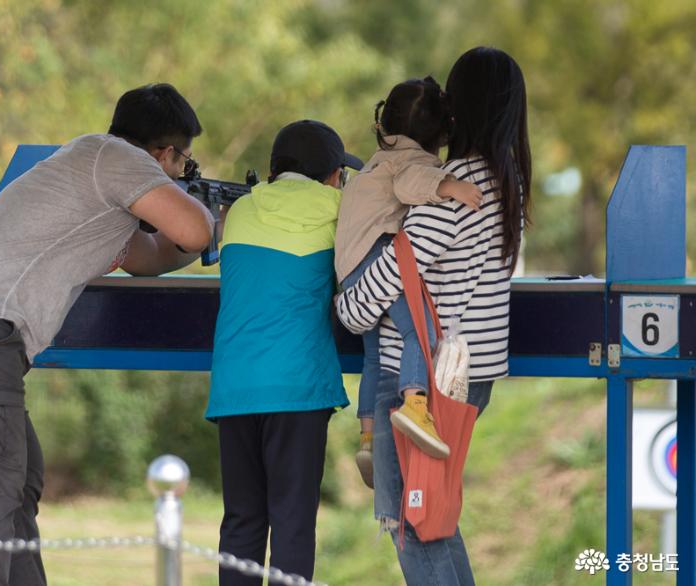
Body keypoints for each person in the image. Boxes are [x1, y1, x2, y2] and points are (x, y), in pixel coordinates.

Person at [0, 83, 215, 586]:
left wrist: (209, 225)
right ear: (164, 153)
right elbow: (195, 231)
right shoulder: (112, 155)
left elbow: (153, 258)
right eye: (183, 162)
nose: (182, 171)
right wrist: (211, 222)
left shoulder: (96, 179)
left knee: (18, 480)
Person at [335, 46, 531, 585]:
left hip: (423, 384)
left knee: (413, 523)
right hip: (472, 374)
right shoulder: (505, 177)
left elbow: (399, 263)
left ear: (461, 107)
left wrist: (348, 307)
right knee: (433, 518)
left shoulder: (458, 184)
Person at [206, 120, 362, 585]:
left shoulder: (239, 211)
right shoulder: (338, 209)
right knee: (292, 523)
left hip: (235, 388)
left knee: (242, 520)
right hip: (296, 388)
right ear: (332, 175)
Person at [334, 76, 482, 488]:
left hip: (349, 269)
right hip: (374, 259)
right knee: (423, 331)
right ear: (441, 134)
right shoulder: (412, 164)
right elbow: (410, 185)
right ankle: (415, 406)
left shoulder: (376, 161)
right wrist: (448, 185)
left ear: (384, 125)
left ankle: (366, 436)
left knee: (375, 356)